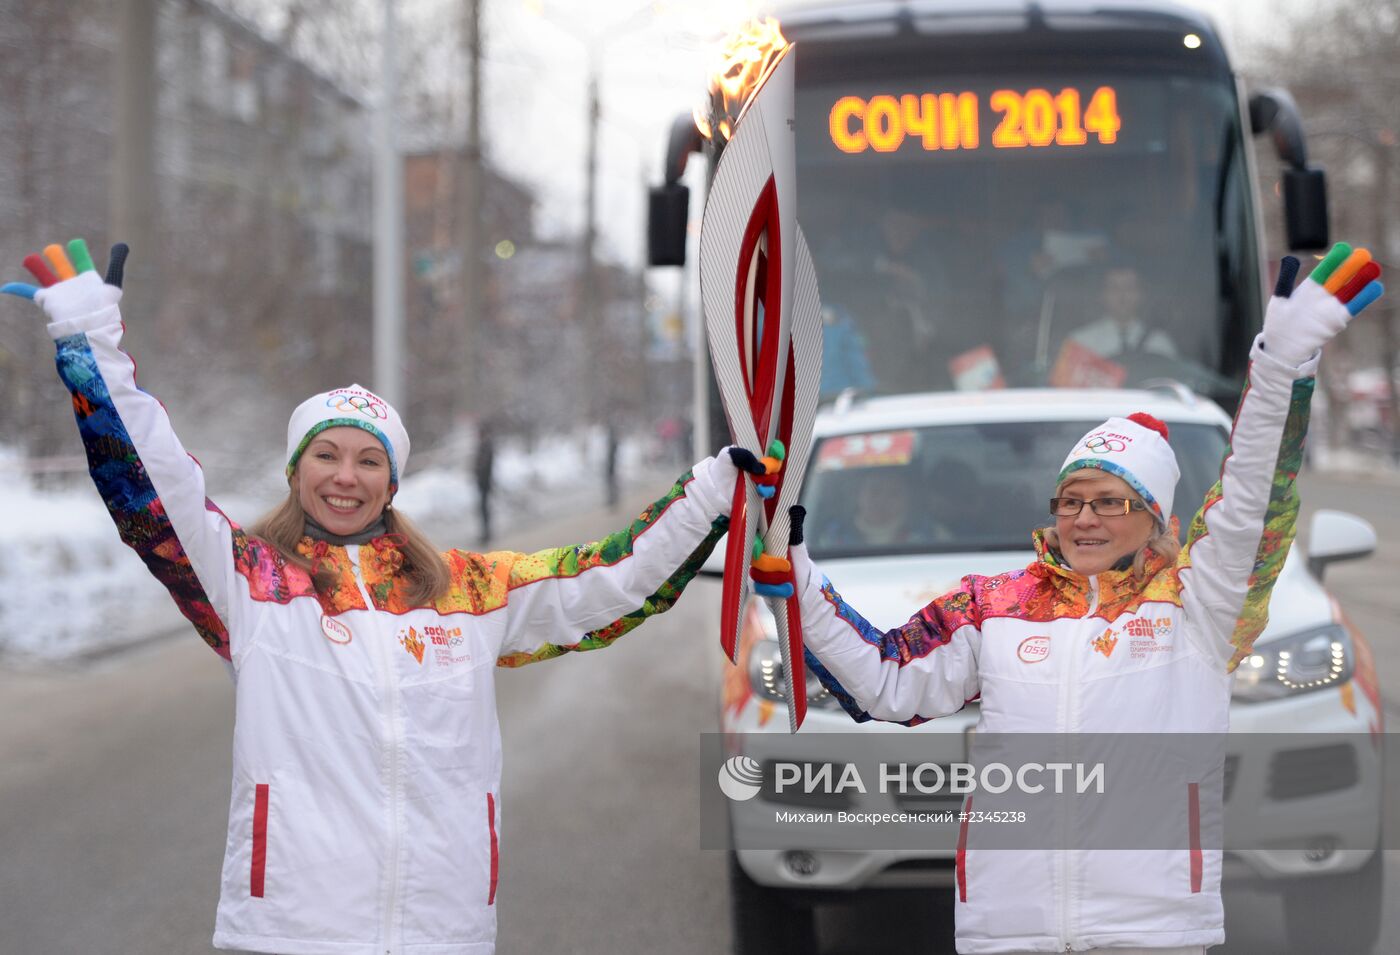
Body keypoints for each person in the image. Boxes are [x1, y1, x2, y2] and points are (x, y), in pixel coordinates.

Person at [2, 238, 780, 955]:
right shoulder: (250, 583)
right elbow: (153, 488)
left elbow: (611, 576)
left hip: (442, 927)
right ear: (297, 471)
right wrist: (90, 342)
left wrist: (712, 490)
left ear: (392, 481)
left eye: (368, 459)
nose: (346, 475)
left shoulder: (467, 592)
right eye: (327, 455)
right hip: (293, 931)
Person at [756, 245, 1383, 954]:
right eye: (1071, 499)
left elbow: (1251, 504)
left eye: (1111, 501)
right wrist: (799, 576)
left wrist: (1279, 369)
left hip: (1152, 932)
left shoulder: (1196, 606)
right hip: (1008, 930)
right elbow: (885, 679)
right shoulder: (996, 604)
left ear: (1157, 520)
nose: (1085, 518)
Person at [1067, 263, 1177, 359]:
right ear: (1102, 295)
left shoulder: (1159, 343)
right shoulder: (1081, 343)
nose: (1122, 295)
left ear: (1141, 294)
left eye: (1129, 287)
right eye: (1114, 287)